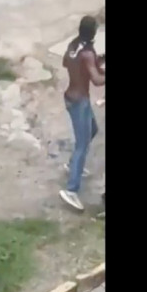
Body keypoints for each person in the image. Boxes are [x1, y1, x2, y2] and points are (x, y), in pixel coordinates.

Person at [59, 16, 105, 211]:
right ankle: (71, 190)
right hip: (80, 102)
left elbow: (66, 62)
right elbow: (96, 80)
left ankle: (73, 165)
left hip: (70, 97)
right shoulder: (87, 53)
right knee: (82, 144)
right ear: (92, 32)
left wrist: (98, 61)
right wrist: (95, 66)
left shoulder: (74, 45)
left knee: (92, 129)